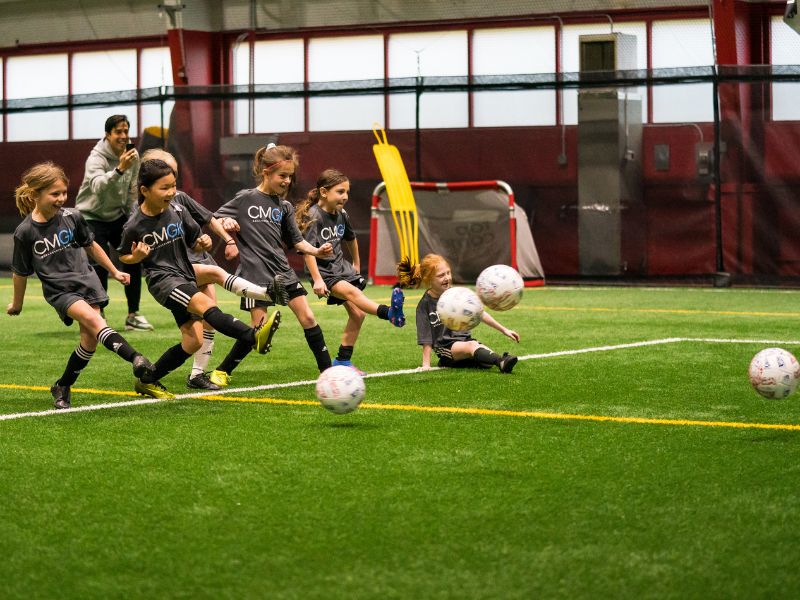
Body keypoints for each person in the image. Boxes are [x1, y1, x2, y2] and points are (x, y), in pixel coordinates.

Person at [118, 159, 281, 399]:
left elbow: (195, 239)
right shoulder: (135, 224)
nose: (172, 192)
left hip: (184, 272)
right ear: (145, 191)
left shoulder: (176, 210)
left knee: (193, 340)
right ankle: (253, 336)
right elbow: (124, 256)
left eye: (173, 186)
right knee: (206, 306)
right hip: (163, 281)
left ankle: (148, 380)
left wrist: (202, 242)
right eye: (164, 188)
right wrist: (136, 256)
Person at [7, 162, 156, 409]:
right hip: (61, 292)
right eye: (54, 194)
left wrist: (114, 270)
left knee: (90, 340)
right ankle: (136, 358)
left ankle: (62, 385)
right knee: (97, 322)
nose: (61, 198)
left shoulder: (73, 216)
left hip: (88, 282)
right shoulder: (25, 232)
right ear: (35, 195)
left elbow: (92, 245)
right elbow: (20, 273)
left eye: (64, 193)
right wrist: (17, 304)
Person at [210, 144, 335, 386]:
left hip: (283, 272)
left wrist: (317, 251)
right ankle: (222, 370)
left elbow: (297, 241)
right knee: (258, 330)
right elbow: (213, 218)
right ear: (266, 172)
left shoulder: (284, 207)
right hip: (253, 275)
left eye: (290, 176)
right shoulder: (245, 198)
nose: (287, 181)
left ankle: (328, 373)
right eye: (283, 176)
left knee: (308, 317)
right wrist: (227, 231)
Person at [296, 168, 405, 374]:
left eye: (347, 192)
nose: (345, 197)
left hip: (342, 268)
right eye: (340, 192)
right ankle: (389, 313)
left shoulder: (341, 214)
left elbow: (351, 238)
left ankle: (342, 361)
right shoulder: (314, 216)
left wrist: (356, 264)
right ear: (324, 192)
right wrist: (318, 280)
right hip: (324, 272)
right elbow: (307, 252)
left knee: (358, 314)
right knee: (353, 294)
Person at [74, 114, 153, 332]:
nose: (123, 135)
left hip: (118, 215)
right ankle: (100, 315)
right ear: (108, 135)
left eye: (126, 131)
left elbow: (132, 190)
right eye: (118, 131)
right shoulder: (96, 158)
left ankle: (133, 315)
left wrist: (132, 218)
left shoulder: (132, 156)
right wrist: (119, 169)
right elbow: (98, 187)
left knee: (133, 259)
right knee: (99, 265)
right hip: (91, 216)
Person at [397, 254, 519, 373]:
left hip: (465, 340)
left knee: (483, 359)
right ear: (428, 279)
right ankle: (501, 362)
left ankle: (471, 360)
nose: (447, 278)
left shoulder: (456, 294)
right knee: (473, 347)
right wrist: (426, 365)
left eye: (448, 273)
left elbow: (479, 313)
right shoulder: (424, 305)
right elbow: (426, 338)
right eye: (441, 275)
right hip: (446, 348)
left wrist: (504, 330)